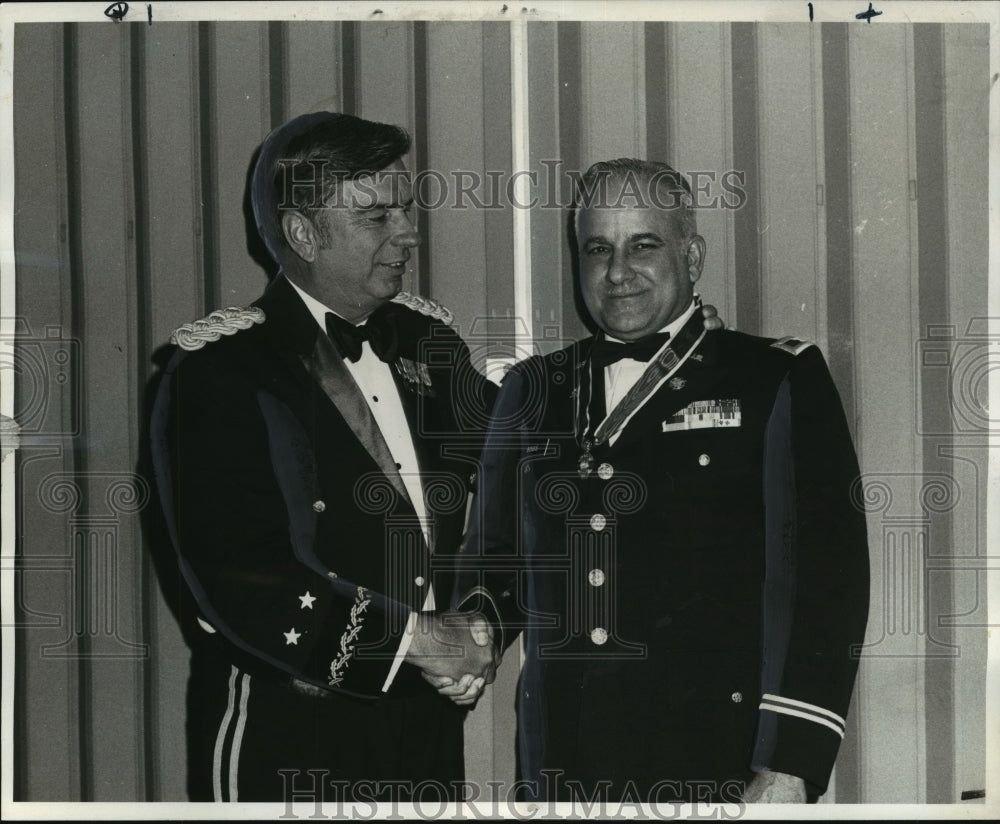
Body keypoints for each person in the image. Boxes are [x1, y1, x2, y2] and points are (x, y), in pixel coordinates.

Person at [450, 159, 870, 804]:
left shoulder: (772, 378)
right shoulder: (532, 390)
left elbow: (826, 580)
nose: (618, 272)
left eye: (643, 244)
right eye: (598, 249)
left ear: (692, 254)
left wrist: (789, 765)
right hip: (562, 764)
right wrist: (473, 629)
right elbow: (494, 561)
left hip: (716, 761)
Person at [149, 111, 502, 803]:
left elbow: (515, 489)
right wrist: (419, 642)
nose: (408, 232)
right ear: (304, 234)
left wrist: (481, 627)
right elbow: (238, 574)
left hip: (428, 726)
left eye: (405, 209)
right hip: (290, 729)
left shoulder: (432, 346)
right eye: (376, 217)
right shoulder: (219, 373)